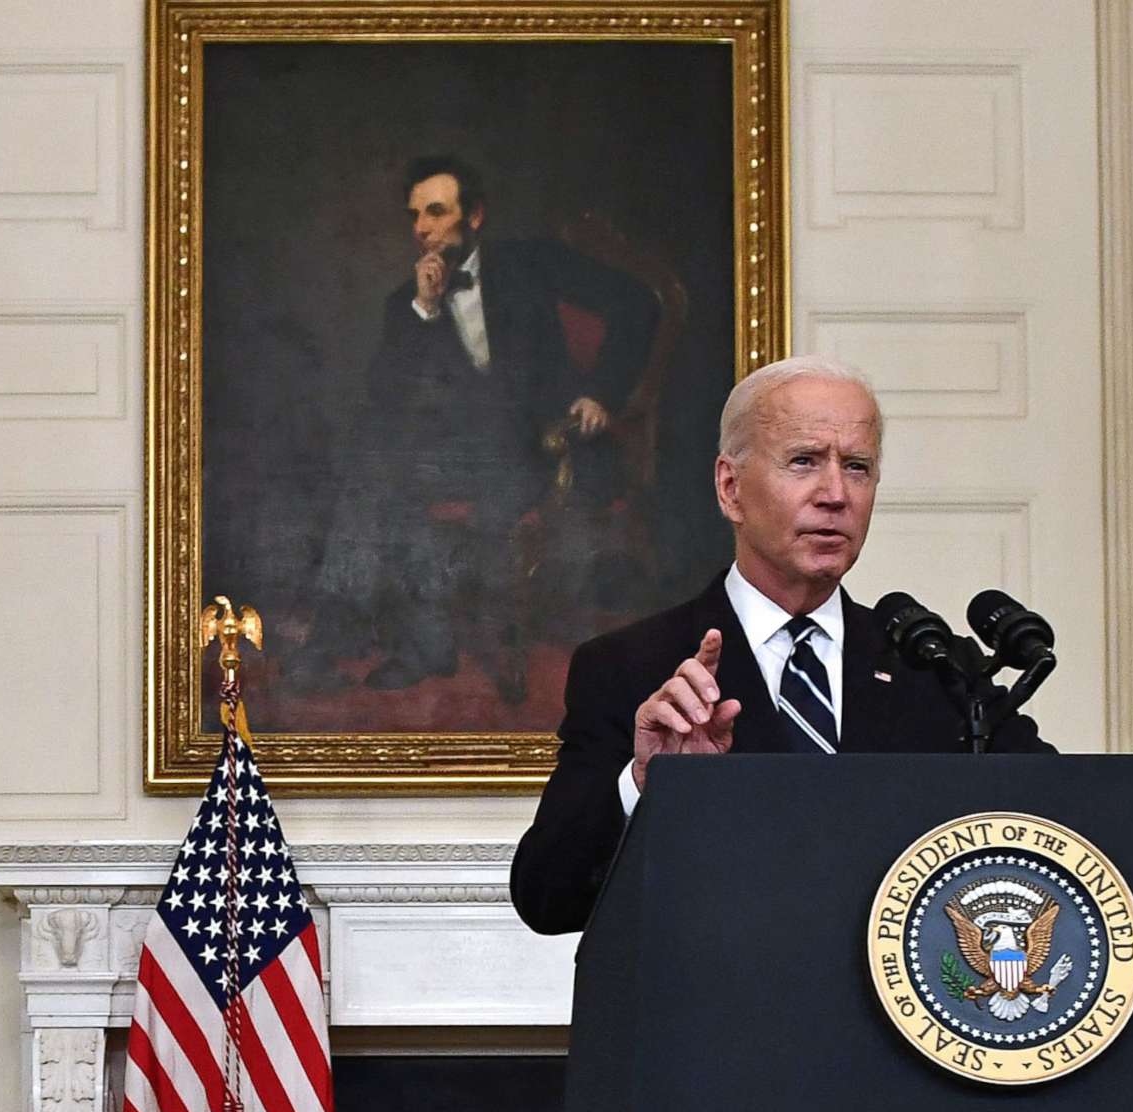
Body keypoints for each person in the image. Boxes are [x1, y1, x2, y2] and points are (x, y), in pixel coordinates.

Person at [508, 356, 1051, 936]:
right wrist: (644, 784)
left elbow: (1068, 824)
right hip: (723, 1017)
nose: (836, 494)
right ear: (730, 488)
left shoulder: (935, 668)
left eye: (858, 467)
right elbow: (546, 896)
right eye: (804, 462)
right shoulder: (630, 667)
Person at [314, 155, 659, 701]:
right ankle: (392, 643)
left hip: (544, 448)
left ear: (474, 216)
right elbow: (385, 400)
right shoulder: (405, 303)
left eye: (435, 211)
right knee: (372, 474)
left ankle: (388, 643)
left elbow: (640, 303)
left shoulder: (533, 264)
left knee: (388, 477)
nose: (421, 228)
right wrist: (425, 311)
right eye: (414, 216)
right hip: (460, 456)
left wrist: (602, 393)